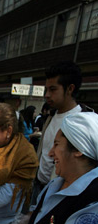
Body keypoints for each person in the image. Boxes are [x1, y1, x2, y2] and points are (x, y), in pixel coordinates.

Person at [33, 61, 93, 201]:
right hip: (39, 189)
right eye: (46, 89)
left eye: (53, 89)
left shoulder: (84, 123)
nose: (47, 95)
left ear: (70, 89)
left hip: (63, 194)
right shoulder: (50, 117)